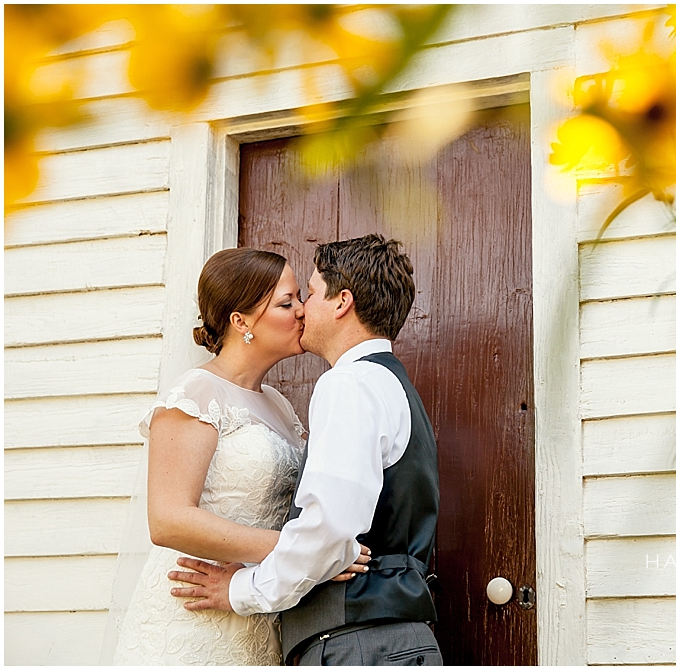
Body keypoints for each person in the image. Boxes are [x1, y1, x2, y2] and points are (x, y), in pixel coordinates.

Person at [167, 235, 443, 666]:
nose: (302, 310)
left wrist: (240, 590)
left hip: (360, 643)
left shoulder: (349, 384)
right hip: (387, 639)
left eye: (309, 294)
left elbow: (328, 531)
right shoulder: (393, 386)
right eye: (290, 300)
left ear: (341, 302)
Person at [104, 248, 370, 665]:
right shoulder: (196, 393)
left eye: (300, 297)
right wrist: (305, 552)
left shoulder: (280, 406)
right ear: (240, 321)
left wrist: (309, 552)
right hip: (193, 613)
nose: (302, 311)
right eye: (287, 302)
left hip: (254, 612)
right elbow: (168, 518)